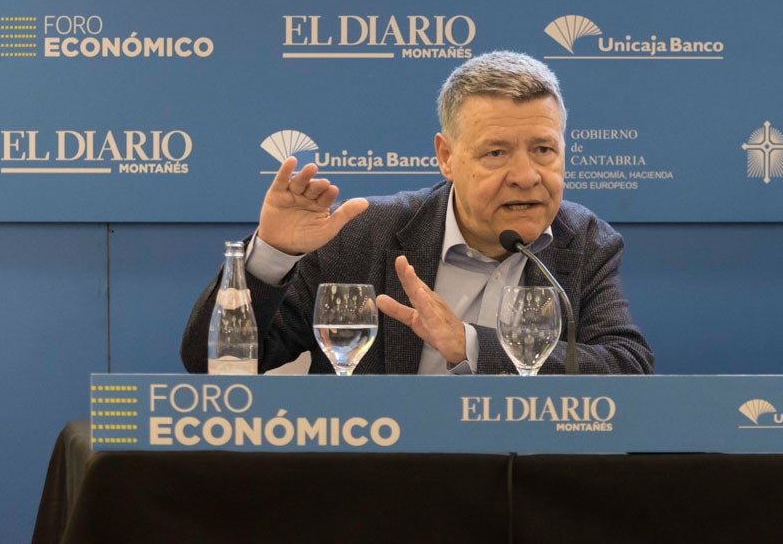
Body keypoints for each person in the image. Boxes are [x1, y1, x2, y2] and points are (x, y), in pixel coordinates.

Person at [182, 50, 654, 375]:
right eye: (496, 153)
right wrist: (272, 255)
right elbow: (211, 363)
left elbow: (626, 366)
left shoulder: (582, 240)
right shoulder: (361, 237)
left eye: (544, 149)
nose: (527, 176)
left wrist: (470, 346)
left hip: (521, 489)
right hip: (381, 489)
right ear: (447, 157)